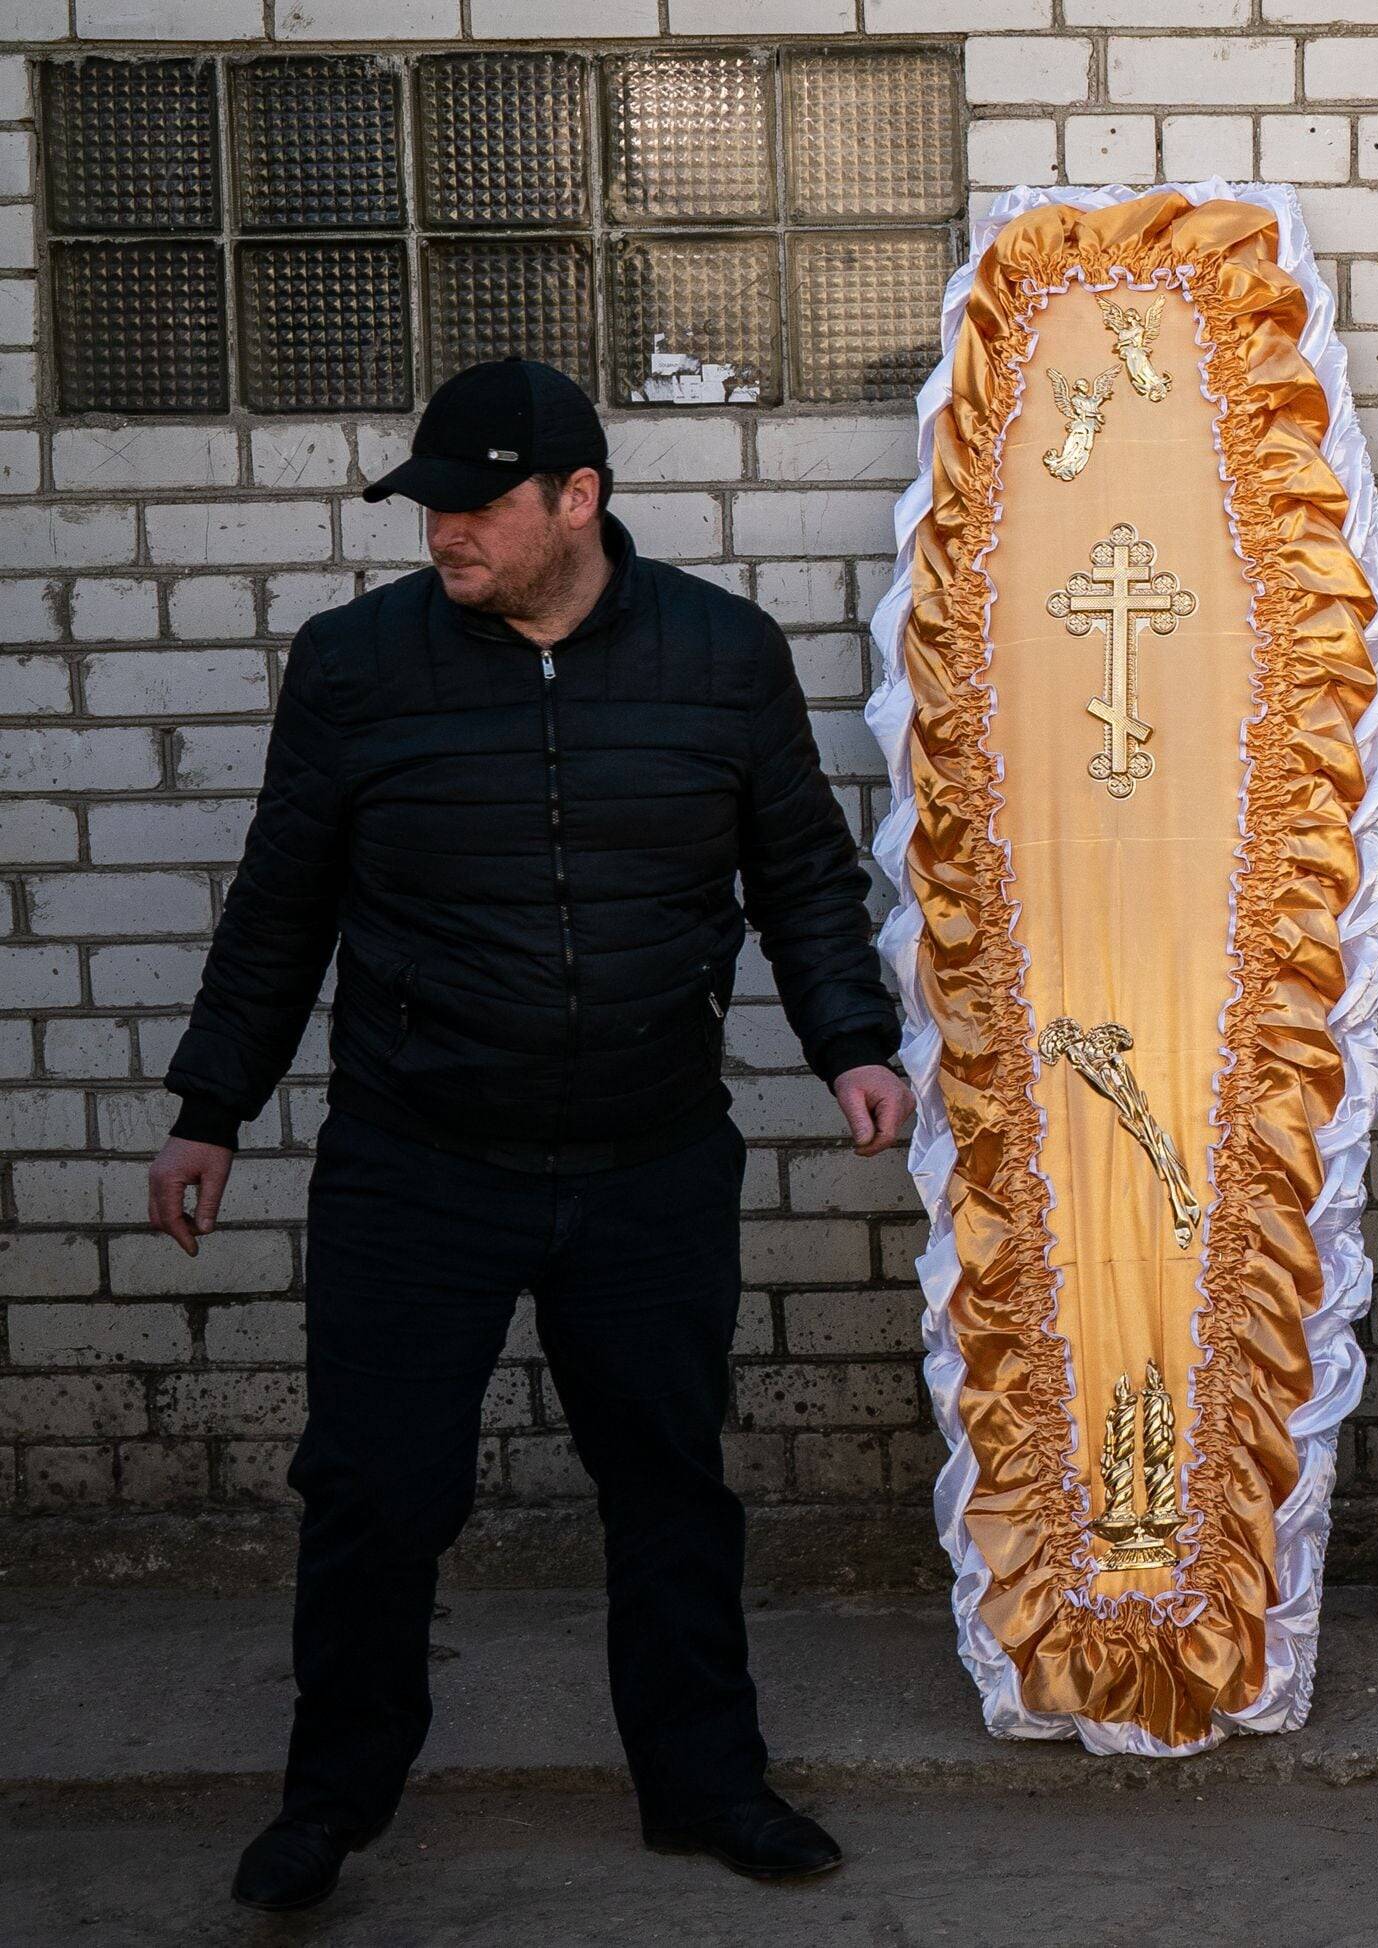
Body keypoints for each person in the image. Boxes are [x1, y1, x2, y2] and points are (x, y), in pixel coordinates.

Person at [146, 359, 912, 1912]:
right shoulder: (358, 666)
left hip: (648, 1156)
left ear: (579, 499)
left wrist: (853, 1044)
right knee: (372, 1490)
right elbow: (280, 904)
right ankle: (330, 1807)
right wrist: (208, 1109)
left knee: (669, 1485)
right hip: (415, 1163)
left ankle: (706, 1785)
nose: (442, 533)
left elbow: (803, 875)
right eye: (425, 505)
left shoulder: (719, 655)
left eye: (474, 502)